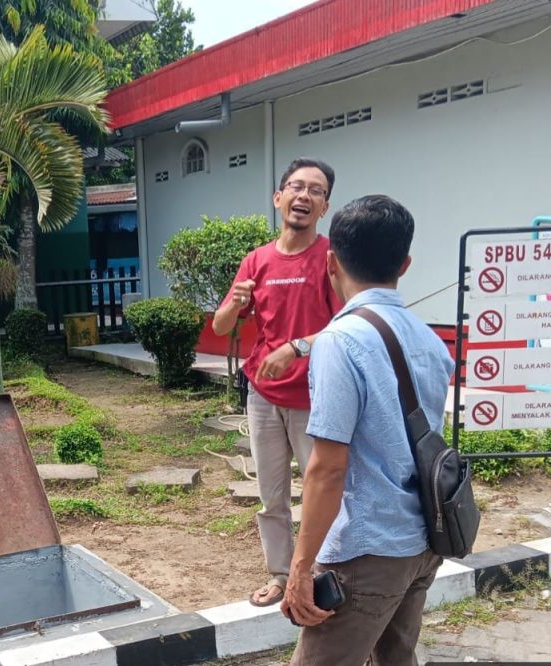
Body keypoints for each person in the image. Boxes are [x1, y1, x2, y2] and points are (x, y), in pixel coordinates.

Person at [281, 195, 453, 666]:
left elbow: (328, 469)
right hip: (422, 538)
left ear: (331, 262)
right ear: (405, 264)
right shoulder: (429, 339)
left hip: (367, 550)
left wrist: (300, 569)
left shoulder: (340, 342)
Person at [211, 158, 343, 607]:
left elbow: (348, 325)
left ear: (324, 207)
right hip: (263, 397)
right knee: (271, 497)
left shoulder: (331, 259)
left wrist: (296, 347)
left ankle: (325, 573)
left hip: (314, 397)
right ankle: (281, 575)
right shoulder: (257, 260)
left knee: (322, 492)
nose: (304, 195)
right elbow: (221, 324)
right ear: (278, 197)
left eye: (316, 190)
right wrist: (236, 303)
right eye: (296, 186)